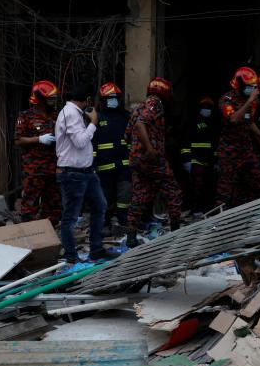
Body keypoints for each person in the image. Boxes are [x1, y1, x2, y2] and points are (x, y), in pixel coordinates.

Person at [54, 82, 117, 263]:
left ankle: (96, 250)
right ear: (86, 99)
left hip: (86, 172)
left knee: (99, 206)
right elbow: (80, 141)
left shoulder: (76, 113)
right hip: (73, 173)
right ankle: (71, 256)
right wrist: (94, 123)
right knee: (71, 217)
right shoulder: (70, 114)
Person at [127, 77, 183, 246]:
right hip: (153, 160)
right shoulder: (155, 103)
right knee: (173, 192)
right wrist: (150, 148)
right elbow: (140, 125)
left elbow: (127, 134)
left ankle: (130, 237)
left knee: (139, 196)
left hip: (138, 160)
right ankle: (176, 233)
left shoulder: (137, 108)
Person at [217, 66, 260, 208]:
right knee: (225, 192)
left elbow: (248, 121)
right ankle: (219, 224)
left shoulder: (252, 102)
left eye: (253, 87)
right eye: (249, 87)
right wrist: (249, 101)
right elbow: (233, 119)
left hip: (246, 150)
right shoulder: (226, 100)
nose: (252, 90)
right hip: (229, 152)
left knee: (259, 183)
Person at [14, 80, 62, 225]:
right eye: (50, 98)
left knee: (53, 205)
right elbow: (18, 141)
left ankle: (49, 234)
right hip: (34, 169)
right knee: (30, 203)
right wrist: (38, 139)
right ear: (40, 99)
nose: (53, 101)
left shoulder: (56, 116)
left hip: (53, 168)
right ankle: (31, 234)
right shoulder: (26, 117)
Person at [93, 82, 130, 230]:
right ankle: (106, 223)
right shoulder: (97, 118)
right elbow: (92, 142)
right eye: (110, 98)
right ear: (103, 100)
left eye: (115, 98)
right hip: (104, 165)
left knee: (125, 195)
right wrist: (93, 165)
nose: (113, 101)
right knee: (104, 196)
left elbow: (133, 139)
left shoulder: (126, 116)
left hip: (124, 164)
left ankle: (124, 221)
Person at [180, 96, 218, 213]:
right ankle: (195, 208)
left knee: (209, 185)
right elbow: (185, 142)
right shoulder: (192, 122)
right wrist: (187, 159)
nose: (207, 109)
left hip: (209, 160)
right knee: (196, 185)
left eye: (209, 107)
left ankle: (207, 208)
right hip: (196, 158)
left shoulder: (213, 123)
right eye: (204, 107)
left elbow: (215, 143)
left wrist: (216, 160)